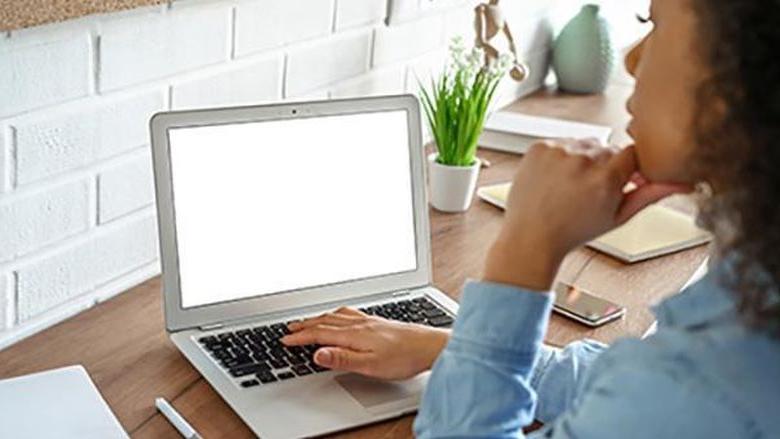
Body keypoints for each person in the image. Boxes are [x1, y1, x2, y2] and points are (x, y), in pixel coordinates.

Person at [282, 0, 780, 436]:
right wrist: (449, 346)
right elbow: (636, 389)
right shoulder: (745, 312)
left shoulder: (718, 383)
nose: (631, 58)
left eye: (657, 24)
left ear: (749, 71)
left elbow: (673, 395)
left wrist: (527, 250)